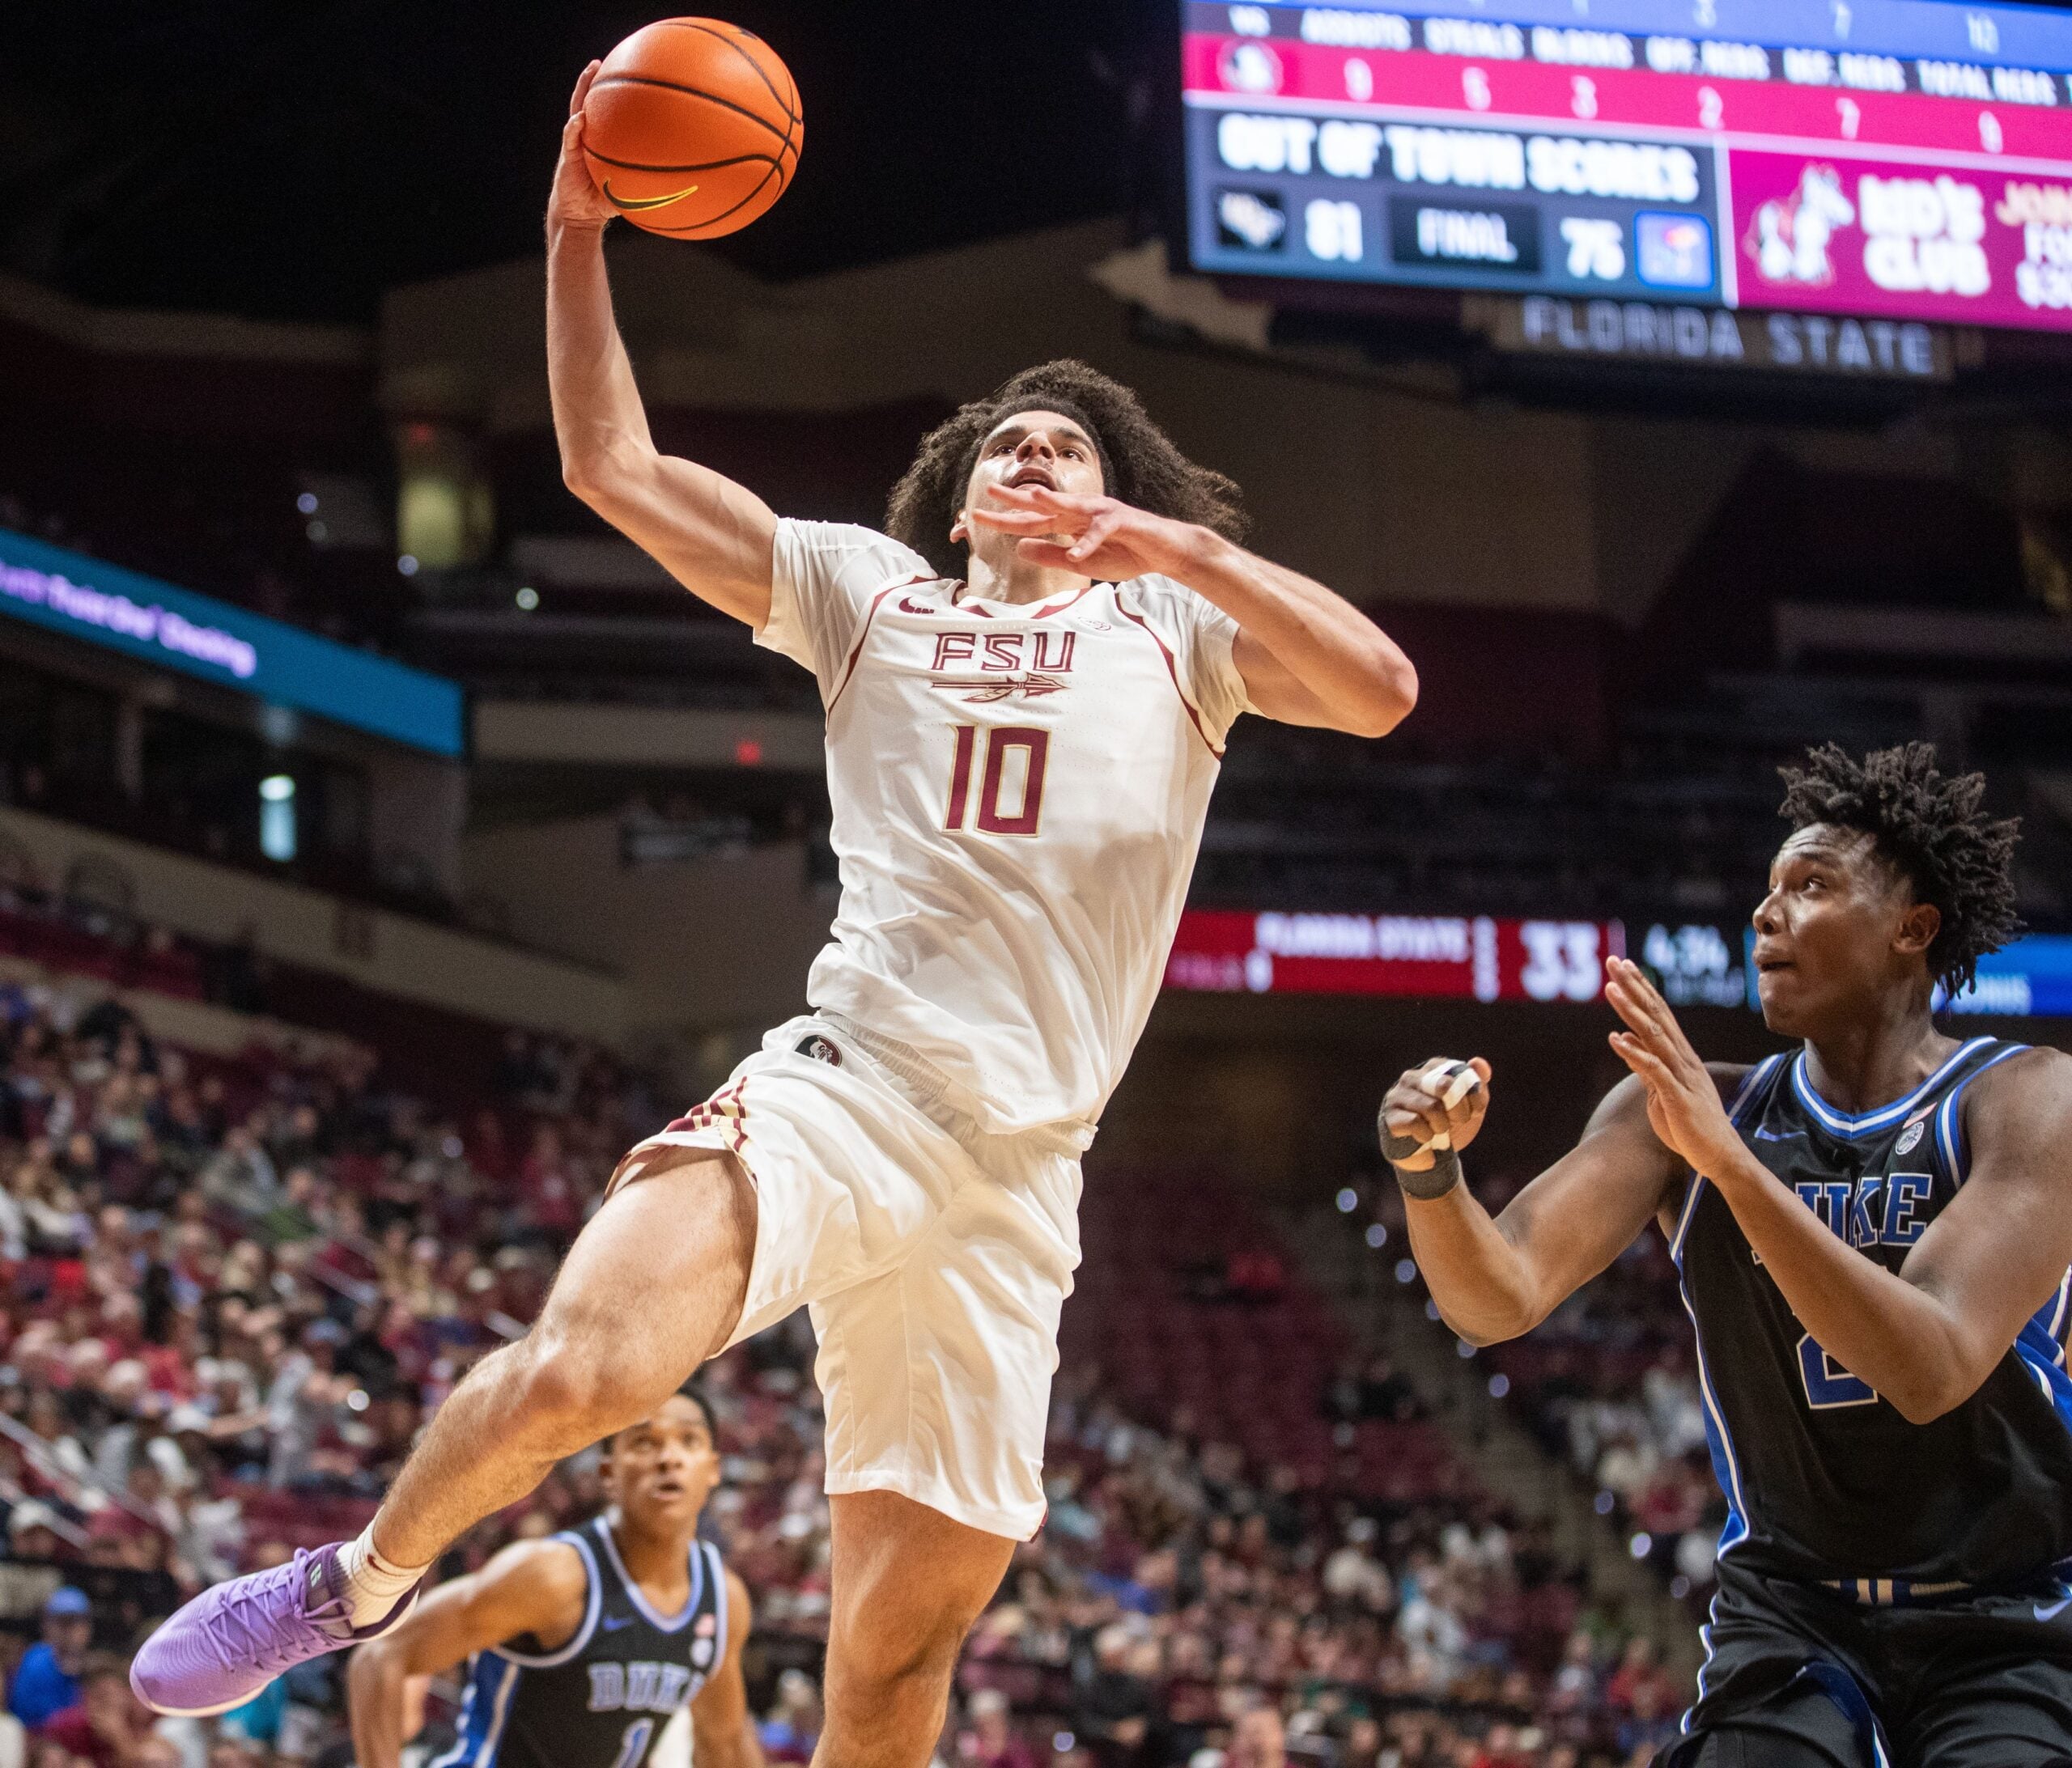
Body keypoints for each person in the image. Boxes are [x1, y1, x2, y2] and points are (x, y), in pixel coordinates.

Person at [130, 52, 1417, 1768]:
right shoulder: (865, 592)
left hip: (1021, 1175)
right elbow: (609, 462)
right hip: (851, 1082)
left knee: (892, 1673)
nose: (1042, 451)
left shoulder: (1175, 637)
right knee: (591, 1368)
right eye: (1012, 443)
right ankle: (352, 1582)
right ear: (959, 499)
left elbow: (1384, 688)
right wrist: (574, 227)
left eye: (1076, 447)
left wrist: (1168, 548)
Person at [1378, 743, 2072, 1765]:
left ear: (1911, 930)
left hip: (2008, 1614)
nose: (1765, 912)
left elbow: (1930, 1366)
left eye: (1812, 884)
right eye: (1766, 887)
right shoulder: (1688, 1111)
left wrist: (1735, 1170)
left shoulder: (2025, 1099)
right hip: (1793, 1616)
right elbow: (1496, 1296)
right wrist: (1427, 1173)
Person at [346, 1389, 757, 1768]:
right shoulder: (553, 1577)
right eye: (644, 1442)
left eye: (689, 1441)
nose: (670, 1459)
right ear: (608, 1472)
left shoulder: (723, 1599)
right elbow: (381, 1657)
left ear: (713, 1470)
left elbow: (725, 1744)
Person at [9, 1589, 91, 1728]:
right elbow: (25, 1716)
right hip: (40, 1740)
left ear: (87, 1626)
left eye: (75, 1622)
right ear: (46, 1625)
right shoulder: (34, 1662)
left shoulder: (95, 1665)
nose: (68, 1630)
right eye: (61, 1622)